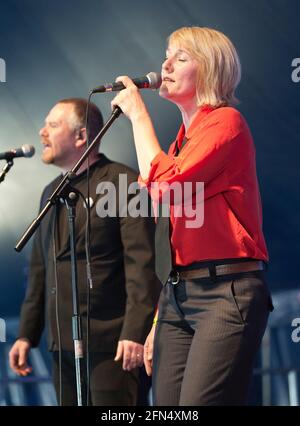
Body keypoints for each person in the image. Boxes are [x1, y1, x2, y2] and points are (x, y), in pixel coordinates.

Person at [111, 26, 274, 405]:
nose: (164, 64)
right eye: (166, 54)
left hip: (225, 291)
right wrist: (158, 318)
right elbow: (168, 223)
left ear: (211, 69)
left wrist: (138, 116)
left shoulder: (226, 122)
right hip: (178, 294)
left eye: (180, 57)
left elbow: (166, 186)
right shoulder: (179, 144)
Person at [9, 98, 161, 406]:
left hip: (113, 344)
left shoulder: (123, 182)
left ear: (81, 136)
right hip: (62, 345)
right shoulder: (50, 193)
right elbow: (40, 269)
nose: (42, 133)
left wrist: (134, 331)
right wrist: (27, 333)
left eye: (53, 125)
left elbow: (143, 264)